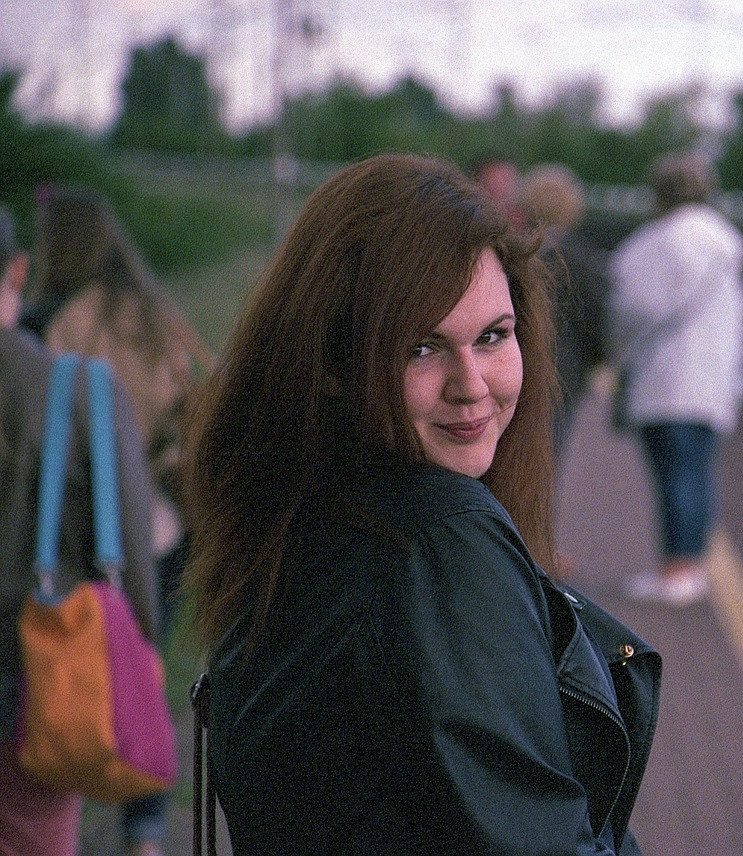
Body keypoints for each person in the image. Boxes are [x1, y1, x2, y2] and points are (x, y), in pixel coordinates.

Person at [183, 153, 661, 854]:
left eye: (493, 337)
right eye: (422, 348)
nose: (471, 384)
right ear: (333, 362)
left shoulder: (297, 509)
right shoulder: (441, 542)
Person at [23, 187, 210, 856]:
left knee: (63, 668)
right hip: (160, 526)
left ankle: (60, 805)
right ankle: (147, 836)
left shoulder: (49, 322)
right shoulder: (153, 315)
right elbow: (186, 404)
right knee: (139, 672)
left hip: (70, 534)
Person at [0, 205, 159, 856]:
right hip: (34, 682)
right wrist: (140, 643)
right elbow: (133, 552)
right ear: (16, 270)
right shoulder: (78, 393)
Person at [608, 152, 743, 607]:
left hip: (665, 377)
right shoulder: (726, 246)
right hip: (711, 381)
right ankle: (690, 565)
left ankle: (676, 572)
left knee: (674, 474)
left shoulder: (653, 244)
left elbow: (630, 308)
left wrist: (615, 353)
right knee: (697, 471)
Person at [521, 163, 610, 457]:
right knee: (548, 463)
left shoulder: (520, 251)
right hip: (564, 373)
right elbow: (597, 315)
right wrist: (598, 358)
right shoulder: (580, 256)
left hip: (520, 368)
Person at [471, 154, 527, 232]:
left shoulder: (532, 224)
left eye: (508, 180)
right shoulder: (475, 227)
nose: (509, 189)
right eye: (501, 181)